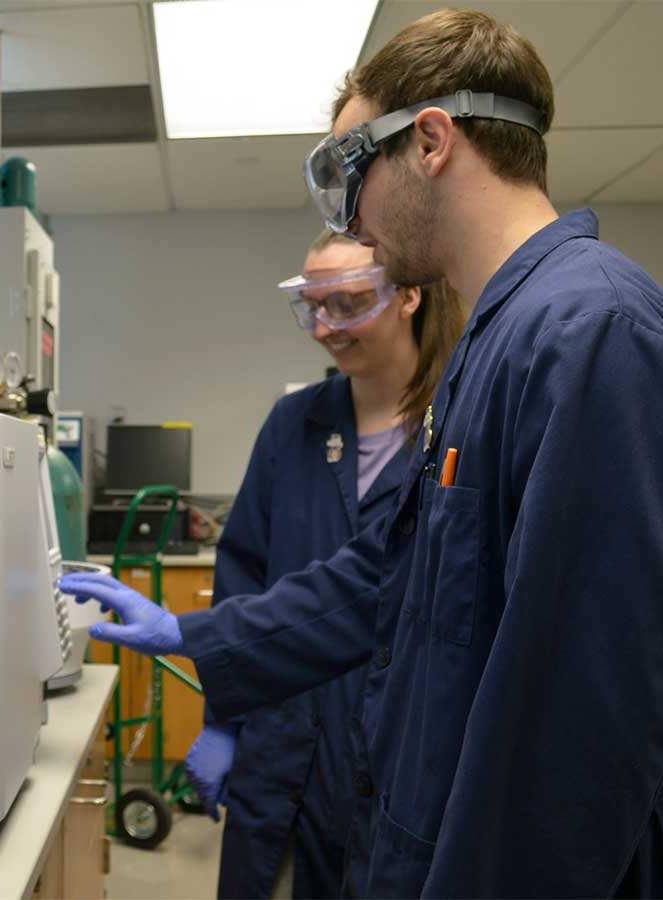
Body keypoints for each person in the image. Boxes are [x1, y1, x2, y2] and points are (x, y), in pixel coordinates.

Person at [62, 9, 663, 898]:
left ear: (432, 141)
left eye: (351, 171)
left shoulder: (589, 333)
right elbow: (390, 578)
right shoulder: (496, 344)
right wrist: (193, 632)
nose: (353, 217)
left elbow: (587, 721)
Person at [188, 232, 466, 900]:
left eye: (348, 304)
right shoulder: (294, 425)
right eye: (314, 307)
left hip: (400, 753)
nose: (326, 328)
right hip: (280, 740)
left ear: (408, 295)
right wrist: (223, 719)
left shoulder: (456, 426)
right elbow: (243, 573)